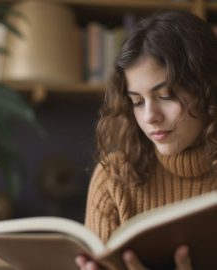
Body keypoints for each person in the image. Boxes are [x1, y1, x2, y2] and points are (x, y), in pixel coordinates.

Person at [75, 10, 217, 270]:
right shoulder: (114, 176)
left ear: (207, 90)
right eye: (137, 102)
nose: (150, 116)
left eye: (165, 96)